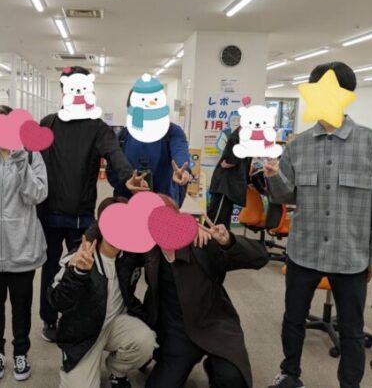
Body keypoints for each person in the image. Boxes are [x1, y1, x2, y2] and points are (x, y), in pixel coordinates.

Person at [264, 62, 372, 388]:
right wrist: (272, 175)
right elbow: (285, 195)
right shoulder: (298, 145)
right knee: (293, 319)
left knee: (352, 329)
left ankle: (349, 384)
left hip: (351, 256)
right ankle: (289, 374)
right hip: (303, 251)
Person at [38, 66, 148, 342]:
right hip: (49, 212)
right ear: (63, 91)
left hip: (81, 214)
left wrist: (128, 177)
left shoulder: (98, 128)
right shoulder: (48, 123)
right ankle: (49, 318)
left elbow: (114, 154)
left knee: (85, 266)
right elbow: (31, 160)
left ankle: (76, 319)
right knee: (50, 267)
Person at [126, 194, 268, 388]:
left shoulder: (201, 243)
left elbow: (260, 257)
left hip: (213, 325)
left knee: (232, 379)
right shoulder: (148, 250)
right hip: (176, 334)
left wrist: (228, 241)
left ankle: (215, 365)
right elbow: (111, 231)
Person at [0, 105, 48, 382]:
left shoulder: (31, 154)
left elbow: (37, 194)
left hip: (22, 247)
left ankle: (21, 353)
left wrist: (20, 161)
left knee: (21, 305)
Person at [48, 197, 157, 388]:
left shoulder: (131, 254)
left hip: (116, 324)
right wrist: (77, 273)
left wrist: (193, 229)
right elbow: (56, 300)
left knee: (146, 341)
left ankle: (117, 372)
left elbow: (158, 239)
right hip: (83, 333)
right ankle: (75, 364)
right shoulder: (79, 257)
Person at [107, 75, 191, 207]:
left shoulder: (172, 132)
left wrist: (182, 171)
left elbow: (180, 151)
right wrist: (126, 182)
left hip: (162, 202)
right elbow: (112, 168)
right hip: (128, 202)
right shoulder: (123, 136)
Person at [207, 124, 252, 228]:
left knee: (223, 219)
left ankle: (220, 238)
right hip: (225, 185)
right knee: (216, 220)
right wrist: (230, 162)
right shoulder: (237, 137)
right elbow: (232, 160)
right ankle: (211, 238)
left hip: (229, 184)